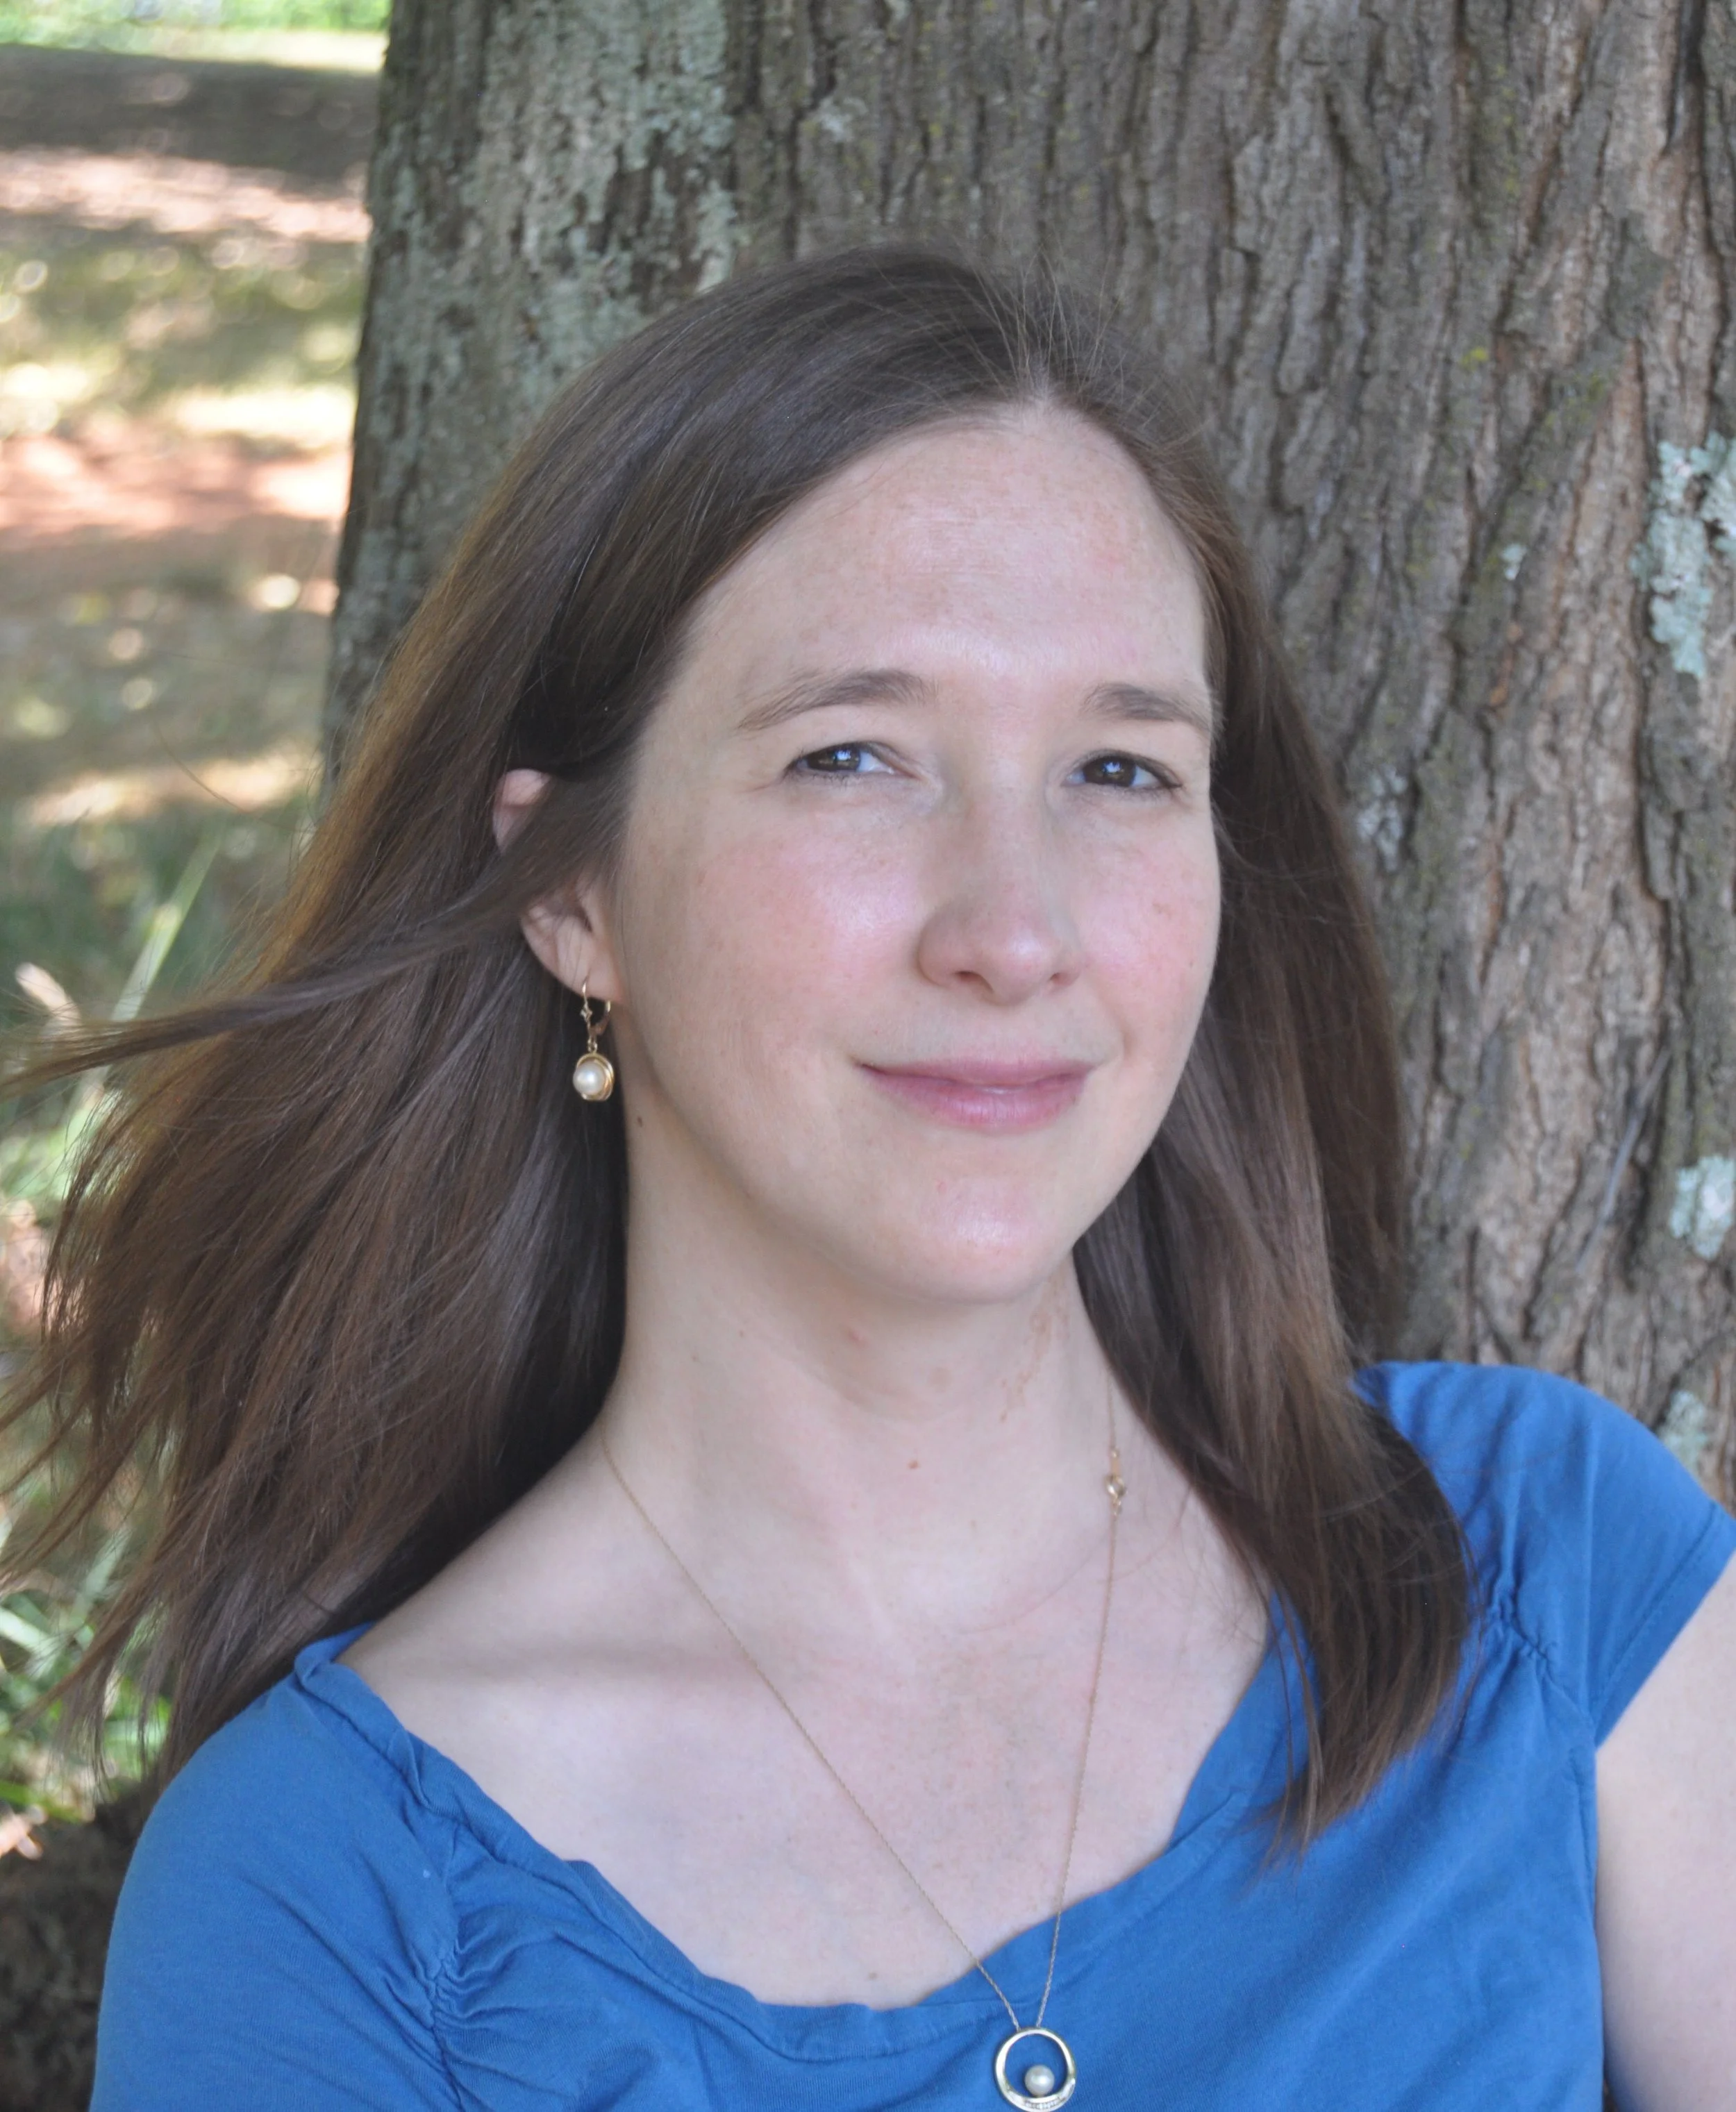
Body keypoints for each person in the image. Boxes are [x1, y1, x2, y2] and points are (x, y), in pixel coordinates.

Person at [6, 249, 1732, 2111]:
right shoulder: (342, 1896)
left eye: (1118, 770)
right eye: (851, 755)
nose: (1012, 930)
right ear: (570, 891)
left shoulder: (1537, 1570)